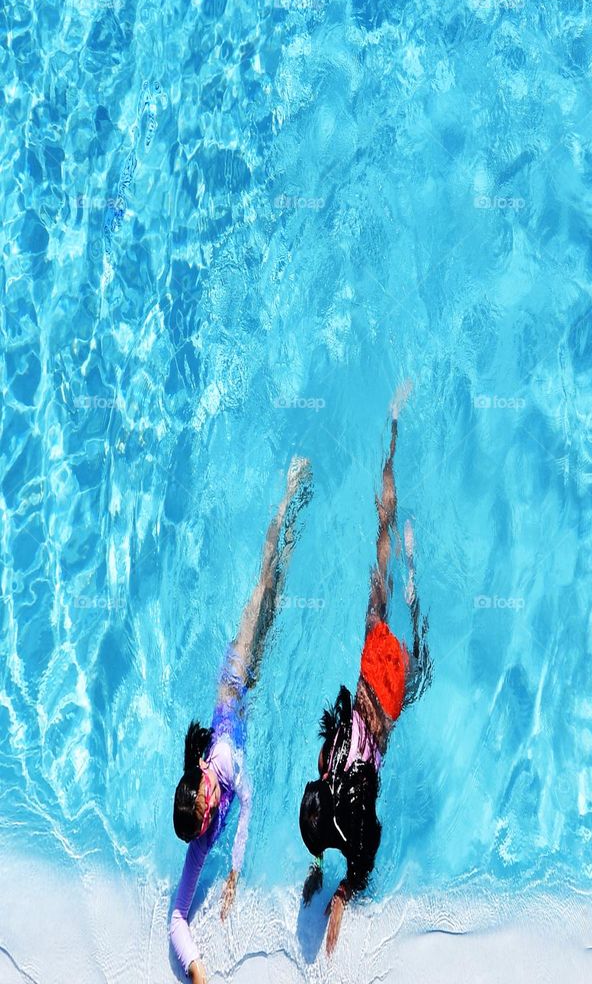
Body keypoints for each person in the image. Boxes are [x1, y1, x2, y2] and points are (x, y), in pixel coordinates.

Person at [170, 456, 313, 983]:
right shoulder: (199, 835)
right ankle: (295, 515)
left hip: (236, 670)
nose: (209, 817)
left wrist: (233, 871)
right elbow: (177, 922)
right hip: (245, 692)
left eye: (205, 807)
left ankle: (288, 489)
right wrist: (198, 972)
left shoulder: (222, 764)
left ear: (201, 792)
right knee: (280, 586)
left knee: (263, 579)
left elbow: (247, 797)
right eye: (205, 820)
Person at [299, 385, 430, 955]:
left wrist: (341, 892)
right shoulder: (329, 770)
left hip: (391, 698)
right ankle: (393, 433)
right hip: (371, 672)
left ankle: (414, 571)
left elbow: (365, 857)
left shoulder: (349, 820)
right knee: (380, 558)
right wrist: (336, 888)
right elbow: (359, 848)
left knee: (419, 654)